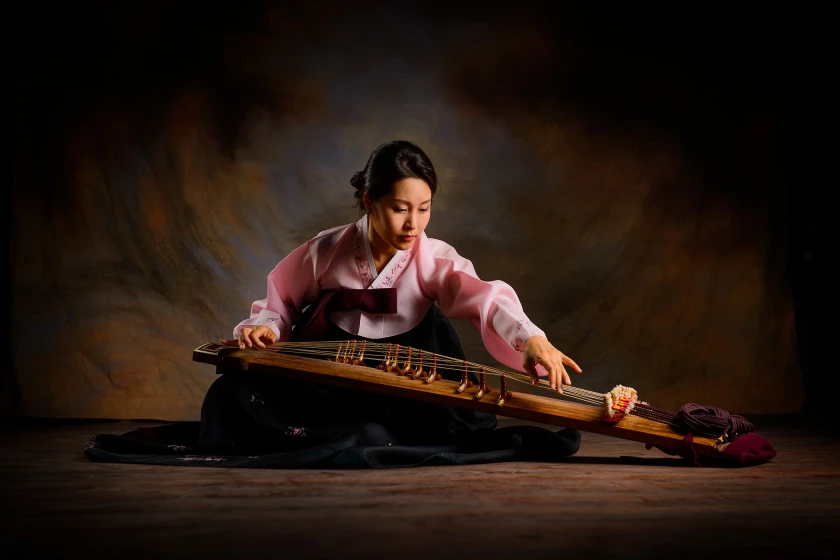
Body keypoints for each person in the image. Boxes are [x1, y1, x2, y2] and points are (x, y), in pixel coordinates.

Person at [84, 140, 583, 468]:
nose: (414, 224)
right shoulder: (327, 249)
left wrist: (532, 340)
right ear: (368, 201)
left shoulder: (435, 258)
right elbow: (278, 301)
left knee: (462, 420)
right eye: (399, 209)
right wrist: (266, 329)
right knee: (229, 399)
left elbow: (487, 298)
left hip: (404, 378)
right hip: (330, 375)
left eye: (424, 209)